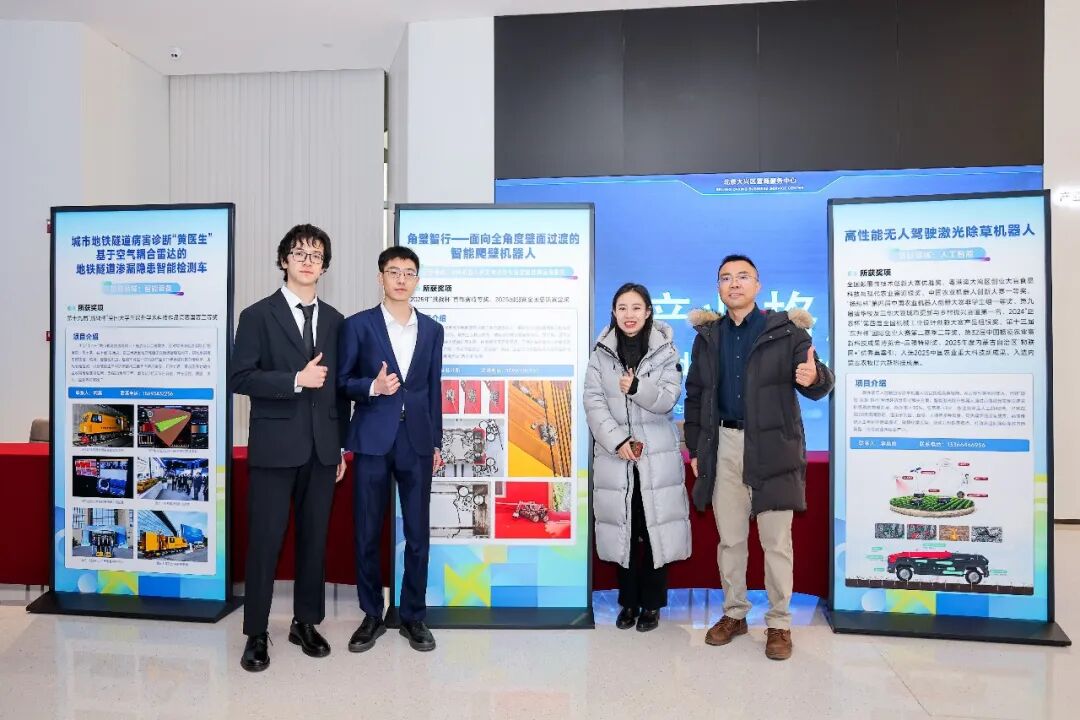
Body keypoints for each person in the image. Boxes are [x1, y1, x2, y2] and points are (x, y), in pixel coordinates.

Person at [684, 254, 833, 661]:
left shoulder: (786, 331)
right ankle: (735, 614)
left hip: (773, 447)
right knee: (730, 539)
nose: (734, 284)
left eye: (742, 277)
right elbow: (695, 397)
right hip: (724, 446)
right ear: (718, 287)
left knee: (776, 542)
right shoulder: (707, 337)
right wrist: (696, 449)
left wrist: (815, 377)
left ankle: (779, 622)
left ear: (758, 285)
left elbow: (819, 380)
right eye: (726, 278)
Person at [231, 223, 350, 672]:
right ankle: (256, 632)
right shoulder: (257, 315)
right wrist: (296, 380)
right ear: (284, 260)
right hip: (274, 448)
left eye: (316, 255)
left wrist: (340, 448)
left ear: (324, 267)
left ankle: (306, 622)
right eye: (299, 253)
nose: (307, 261)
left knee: (314, 540)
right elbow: (240, 377)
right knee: (265, 541)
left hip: (322, 451)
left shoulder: (336, 321)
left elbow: (338, 391)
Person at [338, 246, 444, 653]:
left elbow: (432, 388)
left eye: (409, 272)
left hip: (416, 441)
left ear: (417, 280)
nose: (401, 279)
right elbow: (342, 382)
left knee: (417, 534)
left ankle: (413, 615)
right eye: (394, 271)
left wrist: (436, 441)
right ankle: (371, 614)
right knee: (367, 530)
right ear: (380, 277)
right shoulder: (358, 326)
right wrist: (373, 386)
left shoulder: (432, 329)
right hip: (372, 439)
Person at [584, 283, 690, 632]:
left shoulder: (666, 351)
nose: (629, 315)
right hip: (616, 458)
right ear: (613, 313)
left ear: (648, 312)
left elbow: (667, 400)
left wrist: (636, 388)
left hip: (656, 458)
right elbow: (593, 403)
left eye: (636, 308)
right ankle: (628, 602)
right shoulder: (600, 353)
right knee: (623, 532)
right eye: (622, 308)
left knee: (655, 532)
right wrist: (618, 441)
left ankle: (653, 605)